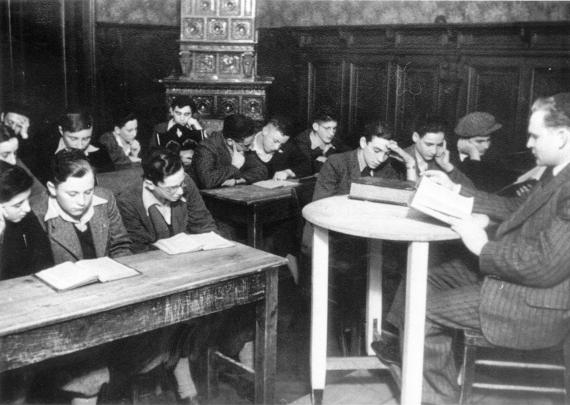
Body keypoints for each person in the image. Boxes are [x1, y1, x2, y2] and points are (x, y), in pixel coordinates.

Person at [376, 93, 570, 404]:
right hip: (518, 284)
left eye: (535, 136)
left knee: (421, 312)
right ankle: (412, 355)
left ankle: (437, 398)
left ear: (561, 136)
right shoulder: (556, 172)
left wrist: (482, 247)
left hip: (535, 303)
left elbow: (544, 266)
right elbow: (514, 207)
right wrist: (456, 190)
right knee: (426, 272)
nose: (529, 144)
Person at [29, 150, 131, 405]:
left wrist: (120, 273)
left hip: (109, 299)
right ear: (52, 188)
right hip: (65, 313)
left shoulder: (104, 199)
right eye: (72, 194)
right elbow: (36, 274)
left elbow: (121, 245)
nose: (82, 201)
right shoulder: (37, 213)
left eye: (87, 191)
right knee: (89, 371)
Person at [116, 147, 217, 253]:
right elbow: (139, 249)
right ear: (150, 184)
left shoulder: (184, 181)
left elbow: (204, 225)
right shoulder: (127, 202)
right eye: (172, 188)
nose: (181, 191)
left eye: (181, 183)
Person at [312, 120, 417, 201]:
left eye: (386, 153)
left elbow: (406, 201)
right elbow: (320, 207)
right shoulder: (336, 163)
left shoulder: (388, 167)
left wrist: (410, 163)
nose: (380, 159)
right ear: (363, 143)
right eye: (376, 150)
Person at [0, 161, 53, 280]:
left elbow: (45, 264)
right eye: (18, 204)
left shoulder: (26, 216)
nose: (27, 208)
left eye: (27, 199)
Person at [35, 108, 114, 184]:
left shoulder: (100, 152)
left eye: (86, 139)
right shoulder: (45, 154)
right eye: (73, 139)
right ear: (61, 130)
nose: (80, 146)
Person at [192, 113, 267, 189]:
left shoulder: (243, 146)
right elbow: (208, 181)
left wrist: (237, 181)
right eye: (247, 145)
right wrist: (234, 166)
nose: (251, 147)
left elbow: (262, 170)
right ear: (230, 141)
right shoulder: (206, 148)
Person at [451, 111, 518, 192]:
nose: (486, 146)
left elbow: (483, 190)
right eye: (479, 141)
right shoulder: (447, 155)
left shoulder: (493, 156)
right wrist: (474, 155)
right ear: (463, 140)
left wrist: (474, 156)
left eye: (488, 140)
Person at [404, 115, 474, 188]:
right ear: (415, 137)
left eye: (439, 145)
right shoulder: (397, 161)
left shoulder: (444, 159)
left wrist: (447, 167)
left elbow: (472, 192)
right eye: (429, 144)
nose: (434, 151)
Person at [294, 106, 350, 174]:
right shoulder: (300, 142)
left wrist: (328, 157)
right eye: (327, 128)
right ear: (315, 127)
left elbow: (351, 157)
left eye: (334, 128)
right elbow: (306, 168)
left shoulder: (334, 141)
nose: (332, 133)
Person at [0, 123, 45, 204]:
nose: (13, 161)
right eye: (5, 155)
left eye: (15, 153)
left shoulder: (17, 167)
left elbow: (39, 195)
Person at [1, 101, 37, 173]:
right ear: (2, 117)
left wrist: (24, 134)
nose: (13, 128)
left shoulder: (18, 142)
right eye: (10, 122)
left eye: (19, 126)